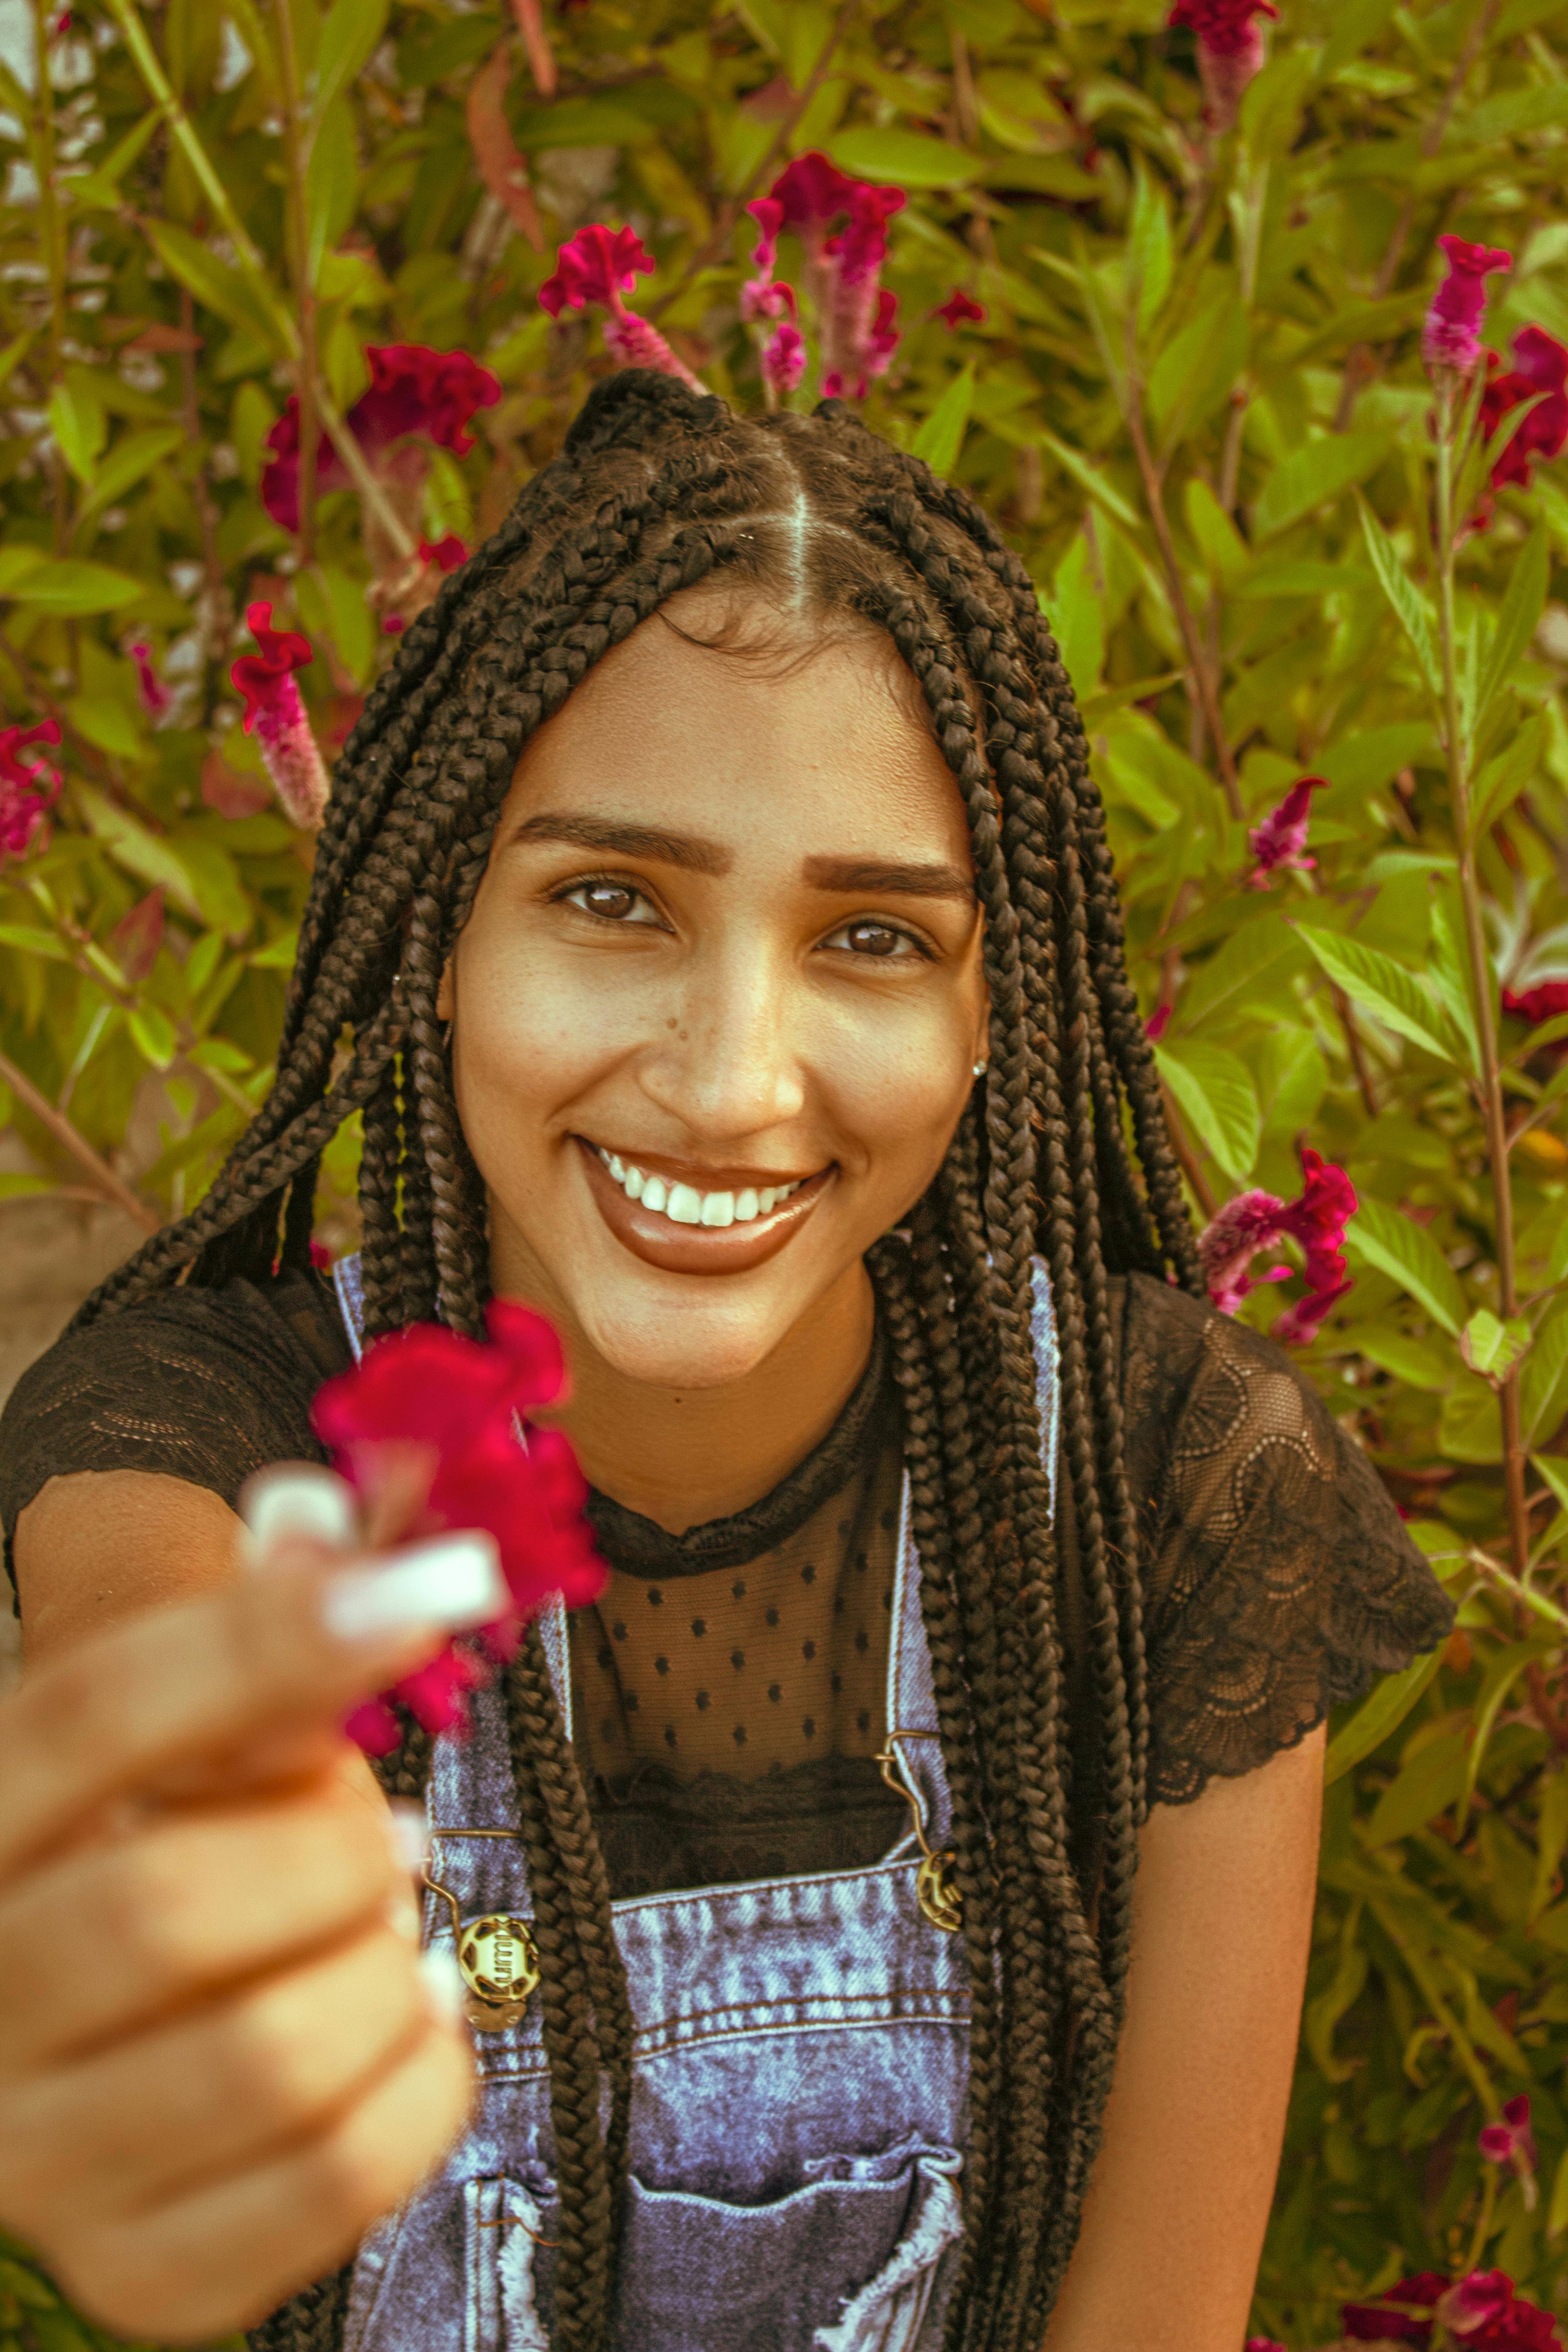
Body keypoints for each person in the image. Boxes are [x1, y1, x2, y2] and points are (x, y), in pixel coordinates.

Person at [0, 372, 1451, 2352]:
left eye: (868, 939)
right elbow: (142, 1634)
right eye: (613, 901)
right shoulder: (215, 1430)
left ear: (983, 1015)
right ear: (443, 931)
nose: (729, 1079)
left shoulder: (1161, 1485)